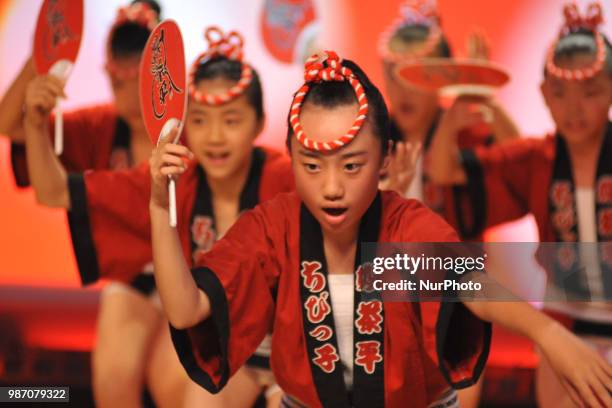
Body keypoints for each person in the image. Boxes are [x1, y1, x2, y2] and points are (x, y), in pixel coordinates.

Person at [150, 51, 611, 408]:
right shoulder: (275, 228)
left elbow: (470, 285)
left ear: (384, 159)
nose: (332, 187)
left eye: (352, 165)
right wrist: (157, 203)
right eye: (312, 165)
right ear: (289, 158)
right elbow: (188, 309)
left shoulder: (402, 227)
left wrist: (549, 335)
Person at [23, 24, 293, 408]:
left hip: (294, 347)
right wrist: (35, 124)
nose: (215, 136)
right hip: (223, 340)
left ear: (260, 123)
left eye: (231, 120)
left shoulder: (286, 179)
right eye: (200, 121)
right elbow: (53, 192)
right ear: (184, 126)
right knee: (150, 380)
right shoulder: (172, 181)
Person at [428, 2, 612, 407]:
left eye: (592, 92)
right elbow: (448, 174)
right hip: (563, 324)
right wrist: (466, 104)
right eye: (561, 93)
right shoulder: (536, 159)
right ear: (544, 95)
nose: (575, 107)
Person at [378, 0, 519, 241]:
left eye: (416, 75)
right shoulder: (372, 141)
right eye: (393, 75)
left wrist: (484, 93)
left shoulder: (464, 132)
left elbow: (518, 158)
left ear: (444, 77)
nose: (403, 89)